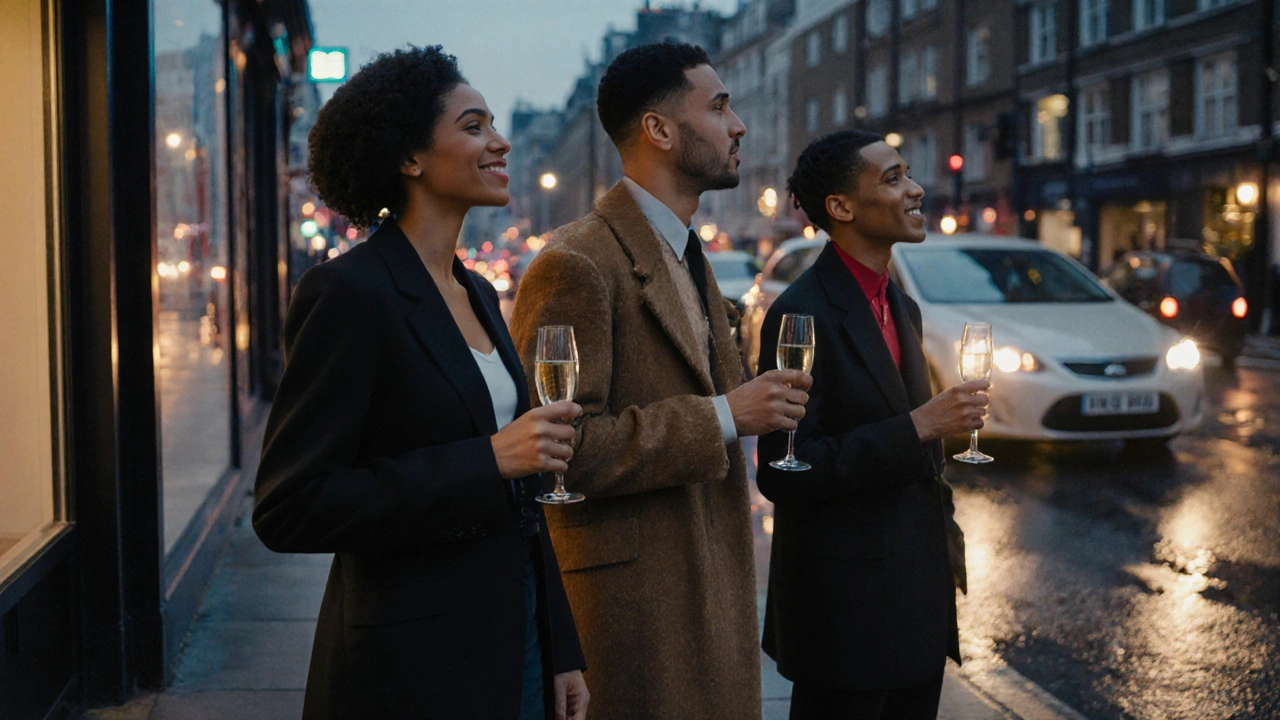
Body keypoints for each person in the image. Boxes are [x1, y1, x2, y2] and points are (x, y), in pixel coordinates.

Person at [252, 46, 588, 720]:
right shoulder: (350, 293)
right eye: (472, 126)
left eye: (494, 124)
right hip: (413, 666)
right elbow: (290, 506)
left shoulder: (481, 294)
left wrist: (560, 646)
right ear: (408, 158)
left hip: (514, 640)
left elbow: (525, 505)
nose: (499, 143)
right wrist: (484, 460)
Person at [510, 42, 811, 720]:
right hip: (634, 623)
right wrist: (725, 414)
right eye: (719, 107)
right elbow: (559, 452)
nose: (738, 127)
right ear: (659, 130)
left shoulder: (688, 251)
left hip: (709, 607)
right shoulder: (576, 264)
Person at [756, 130, 987, 720]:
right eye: (893, 178)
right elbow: (786, 470)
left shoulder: (901, 306)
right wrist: (919, 426)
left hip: (918, 605)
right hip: (845, 620)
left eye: (908, 173)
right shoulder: (800, 312)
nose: (916, 189)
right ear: (841, 207)